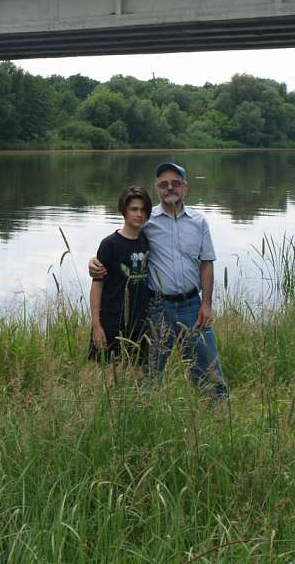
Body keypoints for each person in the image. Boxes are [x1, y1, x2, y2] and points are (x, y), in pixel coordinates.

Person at [89, 162, 227, 397]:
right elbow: (121, 241)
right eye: (164, 184)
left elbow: (206, 263)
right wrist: (95, 261)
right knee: (149, 374)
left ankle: (220, 415)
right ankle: (145, 414)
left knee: (209, 370)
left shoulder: (199, 222)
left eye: (176, 183)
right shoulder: (147, 221)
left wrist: (207, 304)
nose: (170, 188)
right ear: (157, 189)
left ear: (186, 188)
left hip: (192, 307)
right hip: (156, 309)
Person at [88, 185, 153, 363]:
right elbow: (97, 283)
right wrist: (96, 325)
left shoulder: (148, 241)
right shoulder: (110, 244)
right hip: (111, 322)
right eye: (133, 209)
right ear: (123, 211)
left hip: (141, 324)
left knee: (138, 376)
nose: (139, 214)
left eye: (143, 210)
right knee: (108, 375)